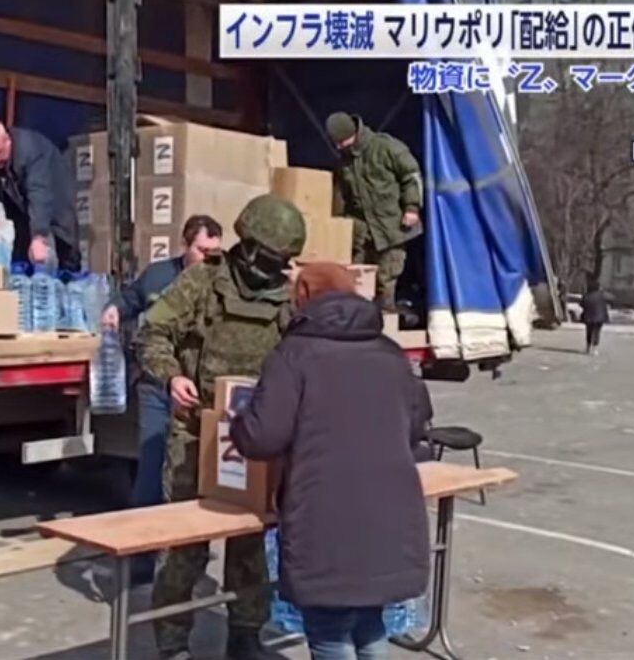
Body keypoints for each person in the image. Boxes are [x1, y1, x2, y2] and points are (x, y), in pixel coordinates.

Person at [229, 262, 431, 660]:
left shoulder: (293, 355)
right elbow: (415, 426)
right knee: (370, 624)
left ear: (303, 297)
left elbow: (262, 437)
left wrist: (235, 421)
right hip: (391, 513)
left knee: (329, 633)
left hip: (323, 514)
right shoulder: (391, 354)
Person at [139, 195, 306, 660]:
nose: (273, 269)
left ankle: (246, 633)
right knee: (183, 545)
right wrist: (171, 376)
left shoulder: (287, 297)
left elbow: (301, 356)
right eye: (268, 259)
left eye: (280, 261)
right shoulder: (203, 281)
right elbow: (153, 332)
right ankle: (172, 643)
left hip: (253, 435)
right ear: (248, 246)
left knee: (249, 538)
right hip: (196, 432)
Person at [99, 214, 223, 583]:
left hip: (197, 391)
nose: (209, 257)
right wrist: (115, 310)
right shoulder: (158, 276)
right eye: (202, 250)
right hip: (157, 386)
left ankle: (186, 557)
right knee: (151, 467)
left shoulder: (222, 281)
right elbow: (131, 299)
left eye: (215, 251)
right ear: (185, 245)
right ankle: (141, 559)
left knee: (193, 472)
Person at [326, 111, 423, 313]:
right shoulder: (344, 161)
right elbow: (341, 194)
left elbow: (411, 176)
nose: (339, 147)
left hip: (392, 226)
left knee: (386, 278)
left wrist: (412, 208)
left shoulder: (386, 147)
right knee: (353, 278)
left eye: (342, 142)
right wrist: (336, 226)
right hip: (361, 230)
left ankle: (386, 317)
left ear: (352, 134)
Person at [0, 119, 80, 271]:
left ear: (7, 141)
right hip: (16, 193)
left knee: (64, 234)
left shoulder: (31, 150)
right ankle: (21, 277)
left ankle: (70, 273)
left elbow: (39, 193)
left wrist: (39, 236)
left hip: (52, 184)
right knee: (22, 238)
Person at [581, 279, 609, 356]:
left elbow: (581, 304)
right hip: (599, 316)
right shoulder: (602, 295)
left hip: (588, 316)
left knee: (589, 332)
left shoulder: (587, 295)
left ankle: (588, 348)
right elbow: (611, 299)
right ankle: (595, 348)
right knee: (597, 332)